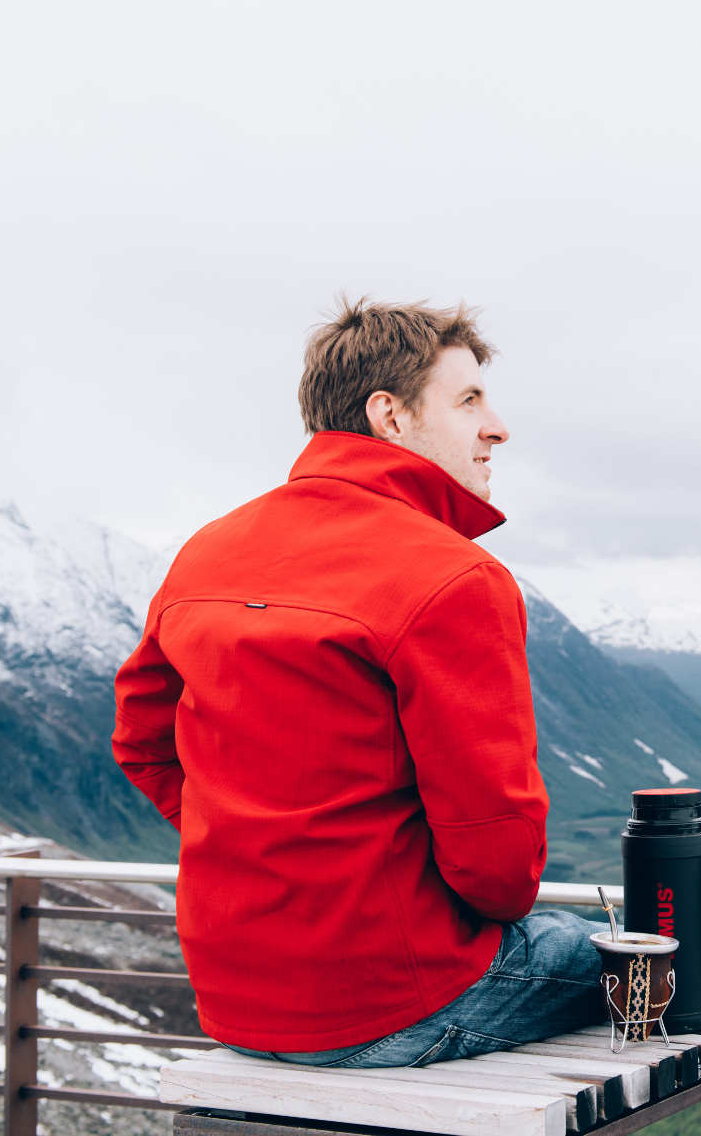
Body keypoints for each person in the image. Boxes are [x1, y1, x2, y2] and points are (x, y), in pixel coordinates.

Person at [112, 297, 602, 1066]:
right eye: (468, 399)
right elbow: (499, 872)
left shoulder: (207, 552)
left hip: (236, 1000)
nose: (497, 426)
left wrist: (266, 848)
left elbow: (142, 743)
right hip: (389, 1004)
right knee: (637, 952)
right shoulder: (453, 577)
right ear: (390, 416)